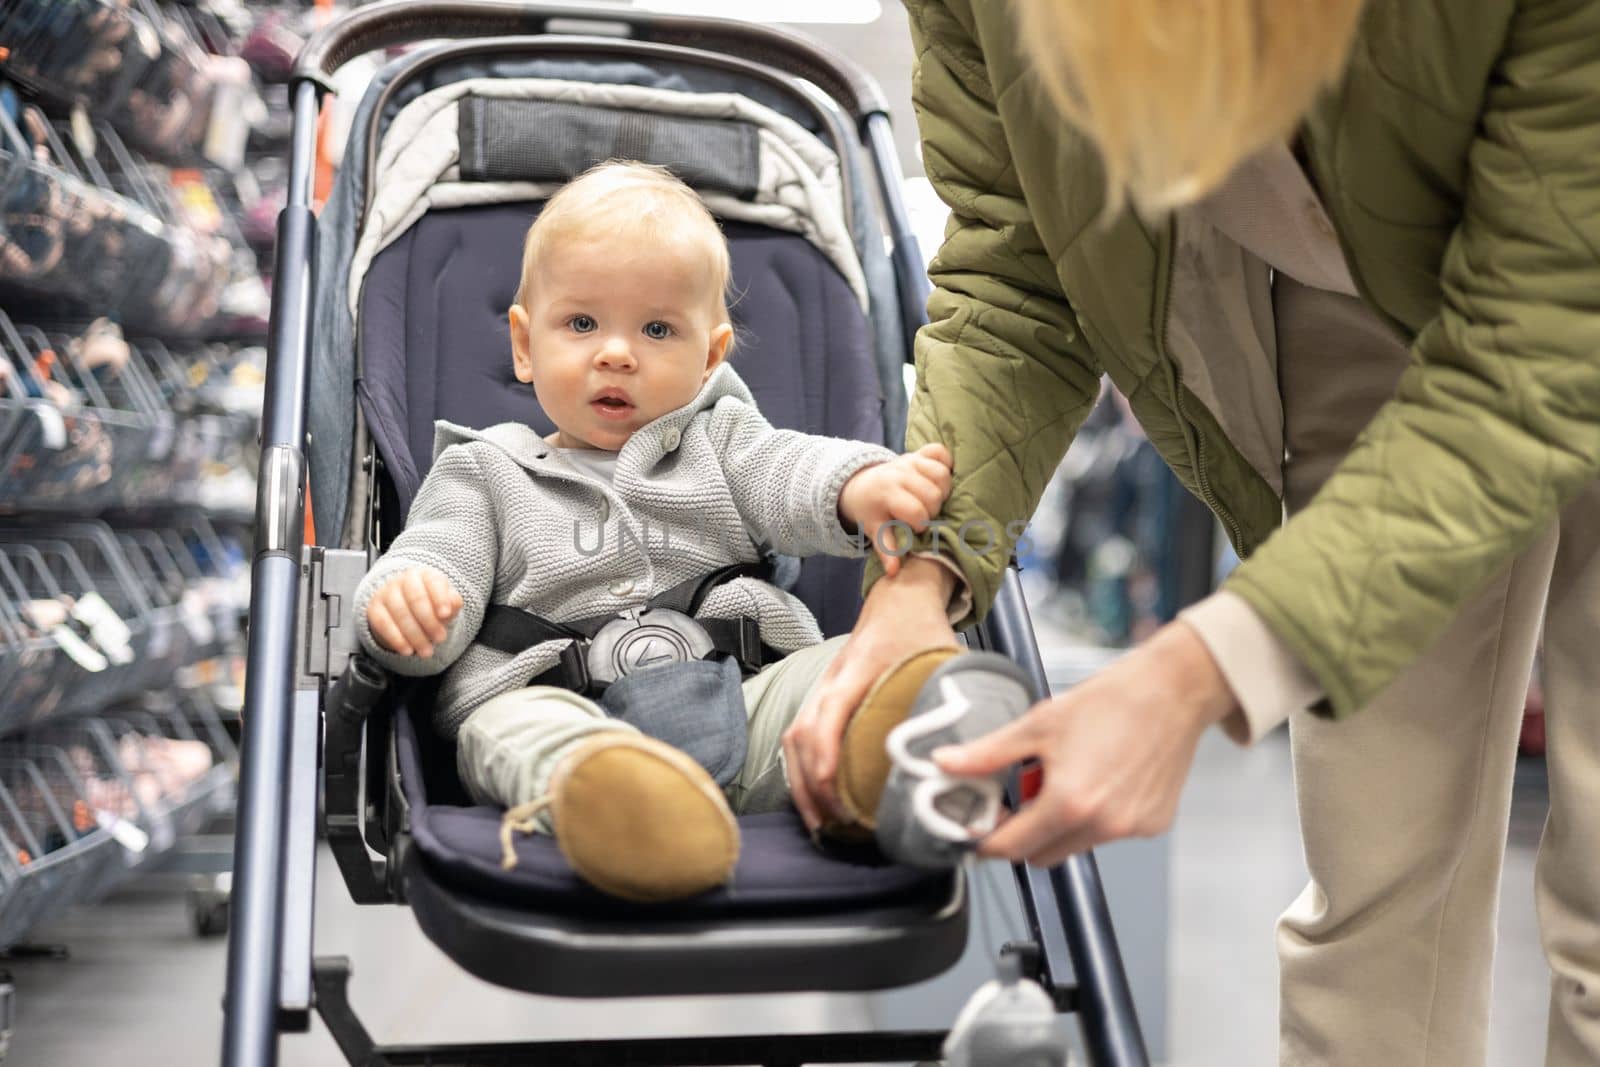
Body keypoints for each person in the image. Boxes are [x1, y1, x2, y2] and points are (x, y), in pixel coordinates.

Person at [783, 2, 1600, 1063]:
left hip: (1568, 275)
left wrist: (1191, 674)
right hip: (1344, 307)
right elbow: (1016, 266)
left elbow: (1535, 352)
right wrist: (917, 574)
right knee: (1374, 904)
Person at [351, 162, 955, 903]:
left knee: (852, 664)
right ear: (523, 343)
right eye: (581, 323)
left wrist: (858, 485)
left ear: (709, 357)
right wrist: (406, 605)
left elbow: (788, 470)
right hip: (561, 704)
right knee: (503, 728)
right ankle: (619, 806)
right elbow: (436, 558)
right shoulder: (483, 473)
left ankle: (865, 761)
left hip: (747, 699)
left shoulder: (721, 442)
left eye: (658, 329)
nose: (616, 352)